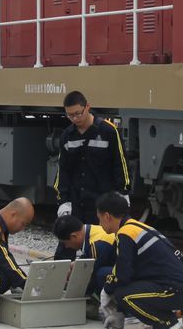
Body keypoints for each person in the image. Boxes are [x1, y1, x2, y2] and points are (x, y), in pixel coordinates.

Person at [96, 191, 183, 329]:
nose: (99, 224)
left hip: (175, 290)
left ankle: (166, 324)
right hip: (179, 288)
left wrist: (107, 292)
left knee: (123, 295)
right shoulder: (135, 226)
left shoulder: (125, 234)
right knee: (118, 286)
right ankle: (161, 320)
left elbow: (123, 275)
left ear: (107, 216)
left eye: (99, 219)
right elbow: (124, 269)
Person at [53, 91, 131, 260]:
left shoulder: (108, 131)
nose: (75, 119)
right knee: (65, 248)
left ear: (87, 107)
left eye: (78, 113)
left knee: (104, 250)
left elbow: (121, 164)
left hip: (101, 204)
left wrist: (123, 193)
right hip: (76, 202)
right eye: (69, 115)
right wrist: (63, 201)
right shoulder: (67, 136)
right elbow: (63, 170)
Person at [52, 215, 116, 297]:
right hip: (115, 265)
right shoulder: (93, 230)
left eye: (65, 243)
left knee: (99, 275)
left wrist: (71, 290)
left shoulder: (96, 245)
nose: (66, 247)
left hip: (125, 276)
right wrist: (76, 264)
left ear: (74, 236)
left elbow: (91, 277)